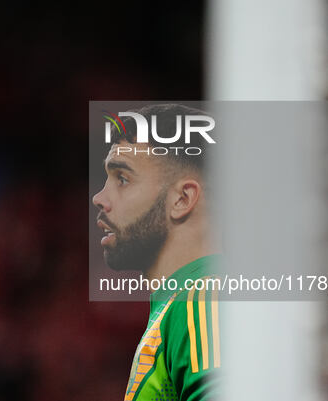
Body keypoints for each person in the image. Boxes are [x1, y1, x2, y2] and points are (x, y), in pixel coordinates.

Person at [92, 104, 221, 401]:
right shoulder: (181, 304)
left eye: (122, 179)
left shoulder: (202, 297)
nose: (99, 198)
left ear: (182, 199)